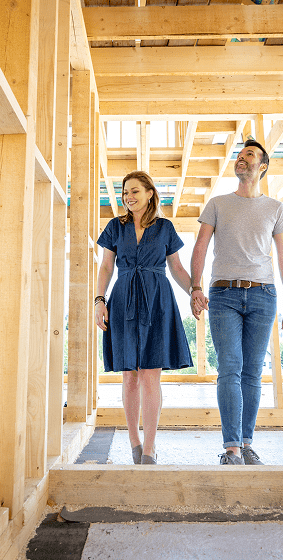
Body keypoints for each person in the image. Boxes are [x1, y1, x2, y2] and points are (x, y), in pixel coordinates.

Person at [190, 139, 283, 465]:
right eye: (239, 155)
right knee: (230, 368)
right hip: (224, 295)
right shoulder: (218, 204)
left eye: (248, 155)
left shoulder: (275, 208)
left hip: (264, 295)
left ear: (262, 166)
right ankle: (232, 449)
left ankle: (246, 444)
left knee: (252, 372)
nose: (241, 159)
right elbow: (200, 247)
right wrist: (195, 287)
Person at [95, 170, 194, 465]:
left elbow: (176, 268)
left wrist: (196, 291)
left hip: (157, 299)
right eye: (125, 192)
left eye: (135, 191)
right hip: (123, 298)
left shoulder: (165, 227)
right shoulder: (116, 226)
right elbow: (105, 268)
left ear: (150, 193)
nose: (129, 197)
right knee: (129, 376)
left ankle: (149, 449)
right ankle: (134, 442)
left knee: (151, 375)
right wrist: (100, 300)